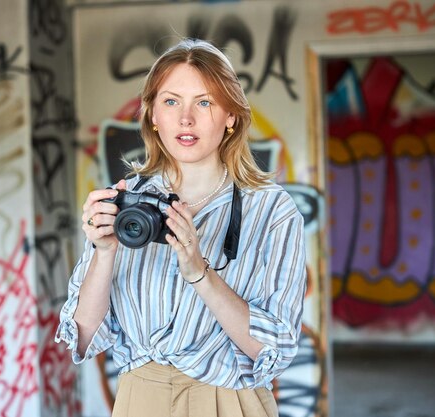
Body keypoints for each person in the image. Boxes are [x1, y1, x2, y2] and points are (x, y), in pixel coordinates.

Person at [55, 38, 307, 417]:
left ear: (231, 116)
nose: (185, 119)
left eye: (204, 102)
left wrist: (199, 273)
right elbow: (84, 337)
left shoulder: (272, 211)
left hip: (229, 399)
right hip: (140, 399)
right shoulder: (127, 204)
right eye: (171, 101)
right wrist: (104, 252)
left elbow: (276, 350)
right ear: (153, 115)